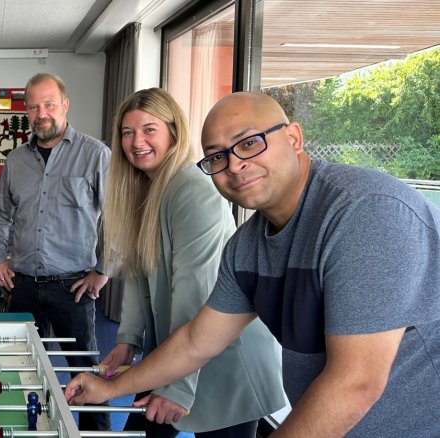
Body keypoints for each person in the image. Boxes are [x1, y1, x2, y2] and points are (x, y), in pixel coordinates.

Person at [66, 91, 440, 437]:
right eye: (217, 156)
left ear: (294, 138)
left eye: (249, 143)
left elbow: (355, 383)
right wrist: (111, 386)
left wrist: (172, 388)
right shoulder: (247, 246)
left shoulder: (366, 212)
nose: (235, 165)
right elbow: (196, 340)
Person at [98, 88, 285, 437]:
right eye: (128, 132)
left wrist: (176, 386)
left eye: (149, 129)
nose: (137, 141)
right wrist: (127, 339)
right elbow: (139, 275)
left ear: (173, 132)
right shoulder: (146, 189)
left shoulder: (194, 190)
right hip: (175, 349)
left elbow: (195, 290)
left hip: (228, 358)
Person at [0, 73, 110, 431]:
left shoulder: (95, 155)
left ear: (65, 105)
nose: (42, 113)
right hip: (22, 285)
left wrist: (104, 269)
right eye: (35, 106)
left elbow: (118, 217)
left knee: (85, 373)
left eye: (49, 104)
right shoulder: (16, 162)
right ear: (27, 111)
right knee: (22, 369)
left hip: (74, 286)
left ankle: (95, 433)